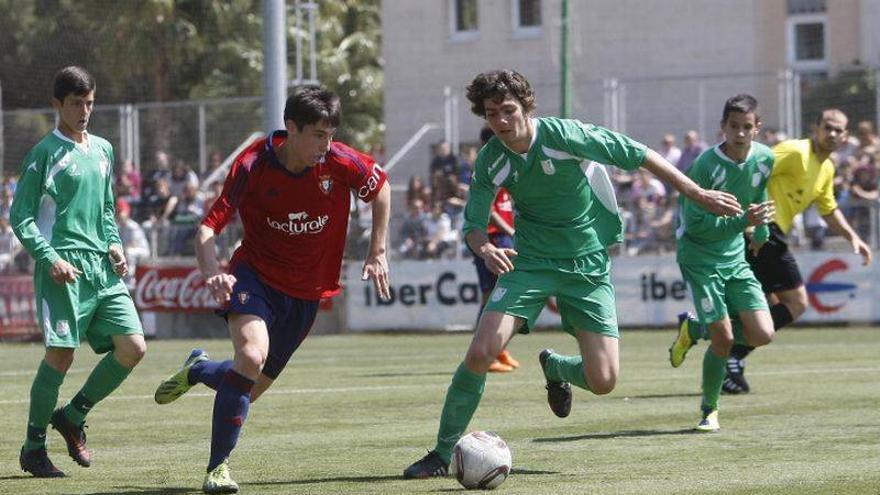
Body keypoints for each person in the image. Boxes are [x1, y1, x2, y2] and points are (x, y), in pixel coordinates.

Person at [402, 69, 742, 479]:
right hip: (529, 265)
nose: (501, 121)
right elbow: (473, 223)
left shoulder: (566, 136)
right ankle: (441, 454)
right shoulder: (492, 159)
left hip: (588, 267)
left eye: (509, 111)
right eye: (492, 114)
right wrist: (485, 247)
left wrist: (697, 193)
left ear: (527, 107)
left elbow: (638, 153)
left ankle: (557, 368)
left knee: (604, 381)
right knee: (480, 352)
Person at [152, 85, 391, 494]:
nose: (326, 144)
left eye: (331, 134)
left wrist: (378, 251)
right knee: (250, 355)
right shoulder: (252, 165)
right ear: (291, 128)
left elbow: (381, 189)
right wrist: (212, 272)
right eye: (318, 135)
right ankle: (217, 469)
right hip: (256, 276)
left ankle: (198, 369)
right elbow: (209, 227)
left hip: (306, 292)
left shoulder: (339, 162)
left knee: (250, 385)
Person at [674, 108, 873, 395]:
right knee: (797, 302)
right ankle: (732, 357)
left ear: (845, 136)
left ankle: (709, 339)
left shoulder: (826, 168)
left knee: (764, 308)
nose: (831, 134)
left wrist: (853, 237)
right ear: (815, 128)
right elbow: (752, 167)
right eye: (826, 127)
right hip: (763, 231)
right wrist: (747, 219)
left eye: (837, 130)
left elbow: (827, 208)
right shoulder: (794, 151)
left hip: (761, 233)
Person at [11, 66, 146, 477]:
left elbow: (106, 209)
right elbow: (22, 217)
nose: (84, 111)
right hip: (62, 269)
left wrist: (115, 245)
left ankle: (72, 415)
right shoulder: (43, 154)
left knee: (134, 347)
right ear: (58, 105)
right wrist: (50, 258)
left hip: (102, 270)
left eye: (89, 103)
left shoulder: (103, 149)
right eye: (76, 104)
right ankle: (33, 448)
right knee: (61, 355)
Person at [667, 95, 777, 431]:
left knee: (762, 334)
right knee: (724, 339)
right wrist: (744, 221)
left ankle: (695, 328)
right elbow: (697, 224)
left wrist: (760, 231)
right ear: (722, 128)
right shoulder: (704, 166)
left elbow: (758, 195)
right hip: (699, 257)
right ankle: (709, 411)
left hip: (734, 256)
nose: (740, 133)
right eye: (733, 126)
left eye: (747, 127)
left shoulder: (764, 158)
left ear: (757, 129)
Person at [472, 126, 519, 373]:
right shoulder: (488, 167)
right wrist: (511, 231)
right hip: (492, 240)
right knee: (493, 296)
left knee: (499, 295)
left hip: (501, 237)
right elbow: (488, 211)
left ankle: (498, 351)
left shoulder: (504, 166)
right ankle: (485, 353)